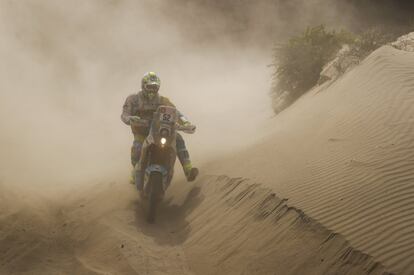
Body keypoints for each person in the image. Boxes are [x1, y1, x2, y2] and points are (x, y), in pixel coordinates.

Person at [121, 72, 199, 185]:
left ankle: (188, 169)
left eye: (155, 87)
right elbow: (124, 114)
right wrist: (130, 119)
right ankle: (136, 171)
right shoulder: (133, 99)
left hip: (160, 132)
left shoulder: (163, 100)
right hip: (141, 133)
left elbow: (176, 112)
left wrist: (186, 123)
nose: (152, 90)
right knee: (137, 148)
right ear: (143, 86)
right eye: (150, 87)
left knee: (178, 139)